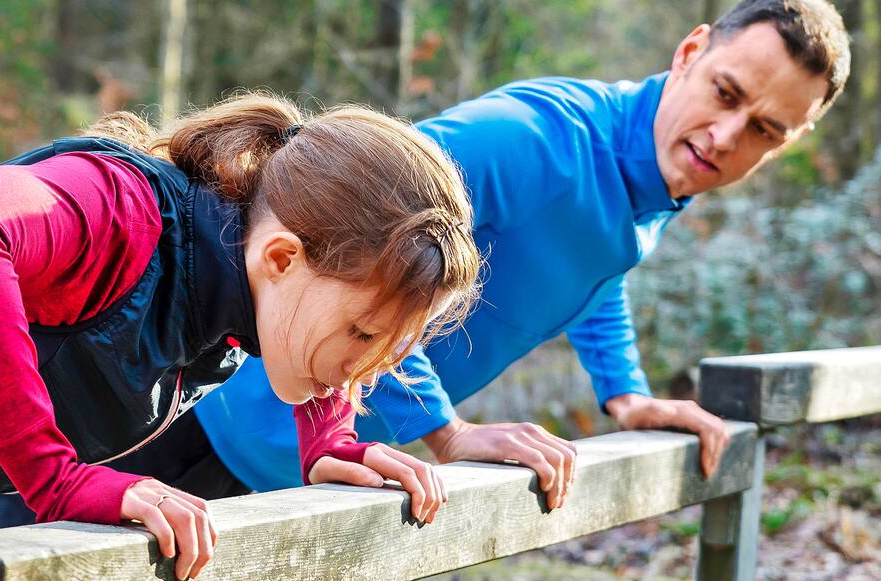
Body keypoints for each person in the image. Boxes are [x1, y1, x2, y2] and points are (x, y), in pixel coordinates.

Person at [141, 0, 852, 509]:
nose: (727, 136)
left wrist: (626, 393)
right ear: (690, 51)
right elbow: (367, 229)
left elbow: (596, 267)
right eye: (725, 92)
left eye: (764, 129)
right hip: (207, 420)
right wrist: (447, 432)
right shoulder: (531, 138)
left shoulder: (650, 184)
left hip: (321, 471)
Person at [0, 94, 482, 581]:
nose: (366, 364)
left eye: (389, 344)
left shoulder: (224, 304)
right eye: (362, 332)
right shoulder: (124, 213)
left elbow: (310, 320)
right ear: (281, 257)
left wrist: (330, 438)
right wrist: (54, 476)